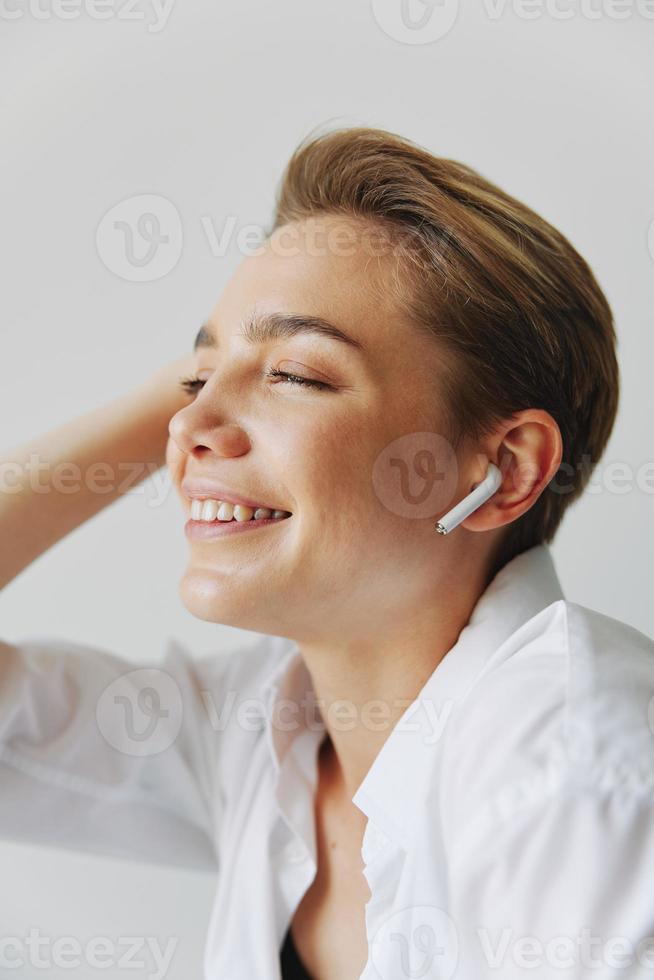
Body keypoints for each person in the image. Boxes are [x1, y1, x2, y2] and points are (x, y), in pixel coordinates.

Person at [1, 125, 653, 980]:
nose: (186, 427)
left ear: (502, 469)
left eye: (299, 376)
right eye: (193, 382)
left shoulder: (583, 772)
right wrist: (231, 367)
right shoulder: (263, 731)